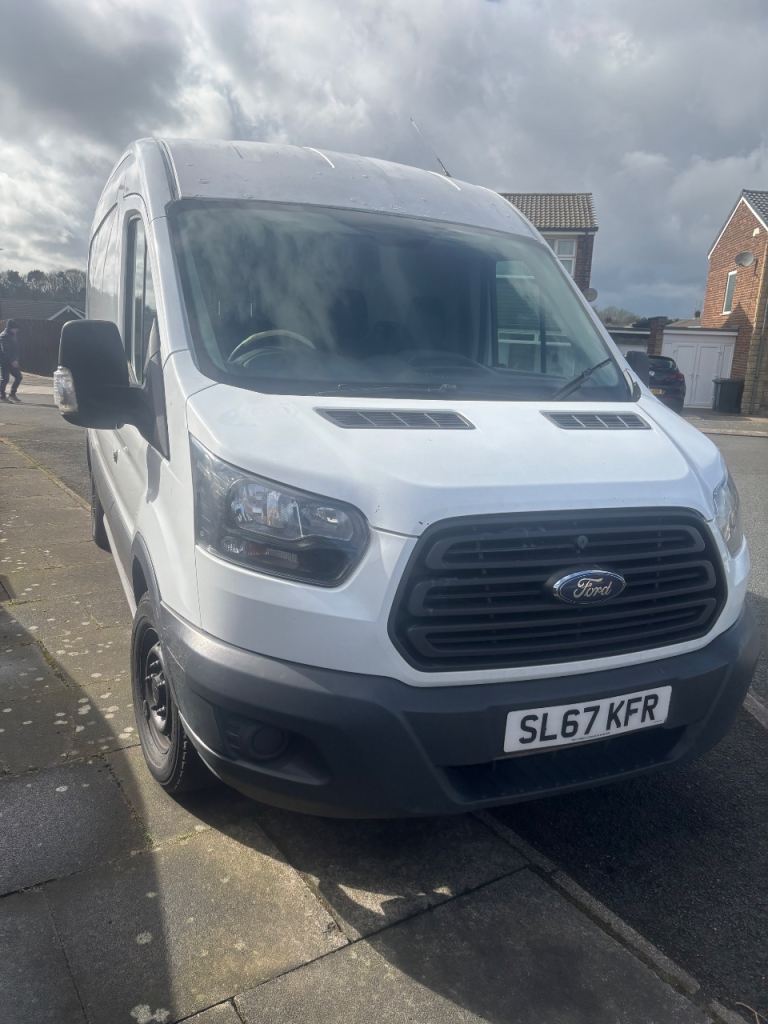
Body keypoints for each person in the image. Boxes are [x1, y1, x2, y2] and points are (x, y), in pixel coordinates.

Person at [0, 319, 23, 402]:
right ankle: (2, 396)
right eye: (15, 329)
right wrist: (13, 360)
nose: (17, 330)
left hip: (13, 361)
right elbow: (5, 350)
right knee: (5, 379)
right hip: (5, 361)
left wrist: (16, 359)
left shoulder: (13, 335)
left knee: (19, 377)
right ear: (10, 328)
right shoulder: (4, 336)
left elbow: (16, 349)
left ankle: (12, 394)